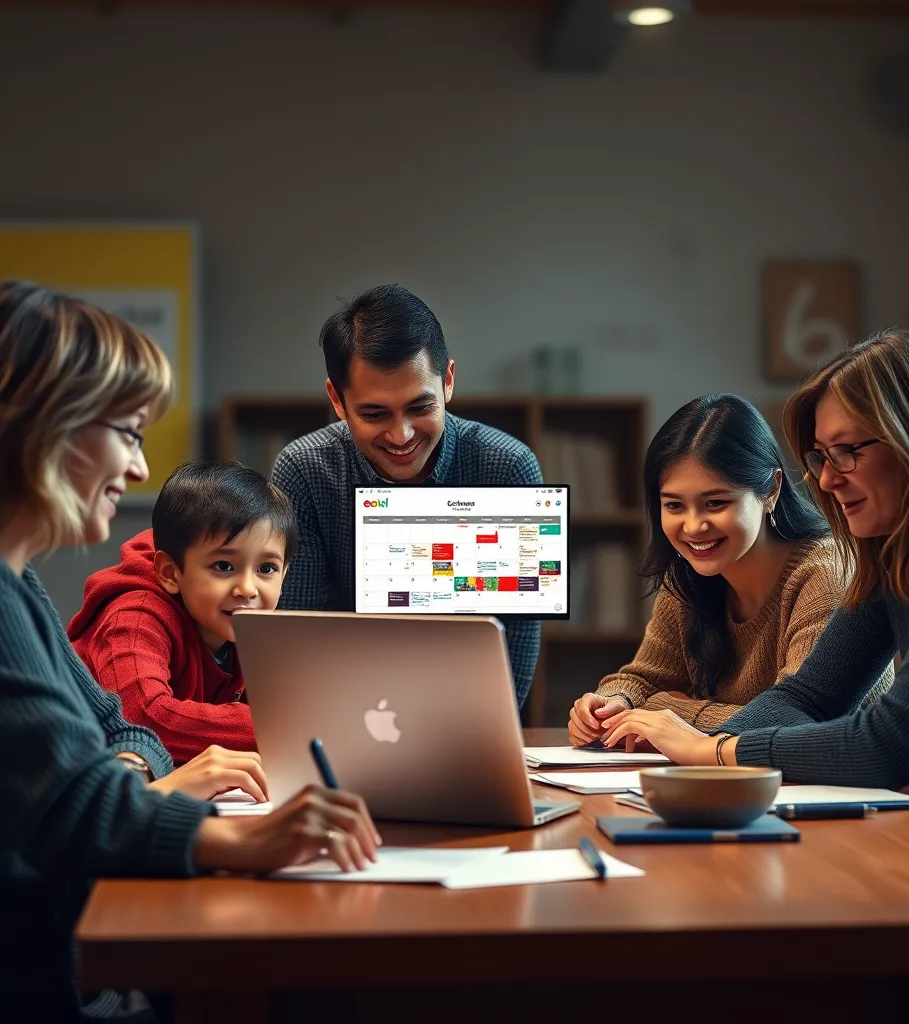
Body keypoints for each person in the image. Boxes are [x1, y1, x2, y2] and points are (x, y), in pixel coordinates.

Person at [0, 282, 380, 1022]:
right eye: (129, 431)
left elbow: (119, 730)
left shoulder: (22, 588)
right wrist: (247, 840)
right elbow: (78, 804)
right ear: (49, 425)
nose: (140, 471)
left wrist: (130, 775)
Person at [601, 330, 909, 834]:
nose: (825, 480)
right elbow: (809, 697)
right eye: (822, 456)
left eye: (847, 452)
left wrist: (712, 747)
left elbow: (895, 744)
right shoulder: (896, 546)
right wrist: (709, 760)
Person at [272, 284, 543, 706]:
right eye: (375, 413)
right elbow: (297, 639)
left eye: (420, 408)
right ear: (337, 401)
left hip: (472, 720)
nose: (401, 436)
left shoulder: (507, 468)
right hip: (338, 714)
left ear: (448, 381)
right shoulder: (305, 471)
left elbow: (513, 650)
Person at [569, 395, 889, 747]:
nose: (693, 527)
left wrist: (677, 713)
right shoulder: (687, 576)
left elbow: (801, 722)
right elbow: (645, 679)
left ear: (772, 490)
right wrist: (613, 703)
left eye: (716, 503)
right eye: (674, 505)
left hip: (840, 791)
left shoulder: (826, 574)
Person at [68, 460, 295, 763]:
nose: (248, 588)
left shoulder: (246, 625)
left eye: (267, 568)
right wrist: (292, 729)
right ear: (171, 573)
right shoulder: (135, 616)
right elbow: (142, 718)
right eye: (224, 566)